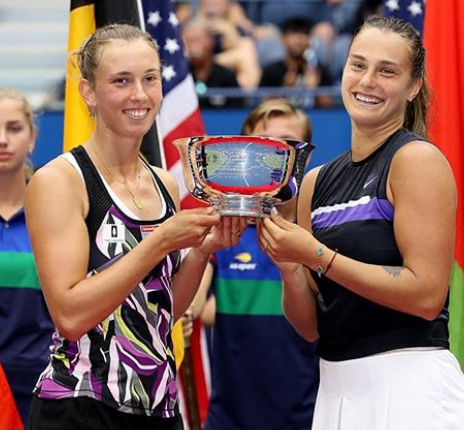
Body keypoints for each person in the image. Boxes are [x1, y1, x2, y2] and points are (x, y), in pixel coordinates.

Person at [258, 16, 464, 430]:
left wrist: (318, 256)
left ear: (413, 87)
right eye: (358, 65)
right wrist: (290, 268)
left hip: (413, 390)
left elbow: (427, 293)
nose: (367, 81)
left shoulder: (417, 160)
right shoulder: (314, 183)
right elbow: (310, 327)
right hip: (336, 390)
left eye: (387, 70)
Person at [24, 23, 247, 430]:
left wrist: (199, 252)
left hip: (158, 405)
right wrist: (160, 241)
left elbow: (161, 314)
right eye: (121, 81)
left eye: (150, 79)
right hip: (81, 405)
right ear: (88, 92)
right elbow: (71, 316)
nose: (140, 95)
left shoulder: (163, 181)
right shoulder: (60, 181)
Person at [200, 99, 319, 430]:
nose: (275, 158)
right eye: (263, 147)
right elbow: (189, 305)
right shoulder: (222, 233)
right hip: (229, 421)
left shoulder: (320, 236)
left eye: (286, 147)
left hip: (307, 421)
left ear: (304, 158)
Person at [0, 87, 54, 428]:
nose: (2, 140)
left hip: (46, 386)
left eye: (14, 128)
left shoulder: (57, 213)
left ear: (32, 138)